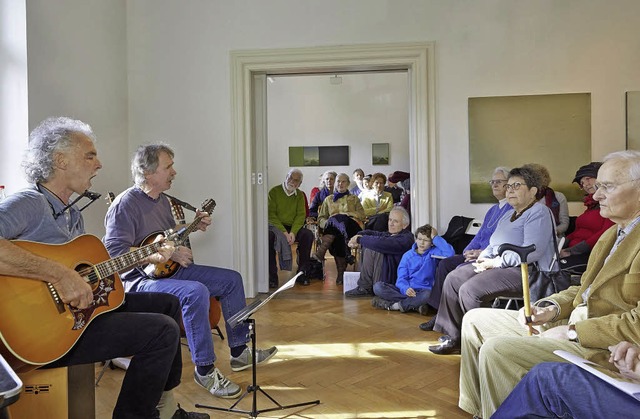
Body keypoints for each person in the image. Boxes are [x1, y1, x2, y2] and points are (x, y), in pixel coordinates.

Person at [0, 117, 205, 419]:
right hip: (40, 334)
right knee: (161, 332)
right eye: (90, 155)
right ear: (60, 161)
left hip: (75, 318)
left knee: (168, 304)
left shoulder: (73, 215)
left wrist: (147, 256)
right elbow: (62, 274)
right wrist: (59, 274)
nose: (98, 165)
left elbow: (92, 271)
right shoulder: (30, 203)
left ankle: (165, 407)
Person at [457, 150, 640, 419]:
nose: (596, 195)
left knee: (498, 350)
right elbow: (584, 288)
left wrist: (573, 332)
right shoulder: (613, 233)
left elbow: (635, 324)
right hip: (570, 320)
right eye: (597, 186)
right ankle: (483, 411)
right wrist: (551, 308)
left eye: (607, 187)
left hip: (600, 343)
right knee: (474, 320)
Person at [103, 143, 277, 401]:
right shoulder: (125, 204)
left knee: (231, 280)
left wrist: (192, 225)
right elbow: (114, 253)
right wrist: (168, 253)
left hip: (167, 273)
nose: (174, 172)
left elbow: (167, 236)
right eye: (168, 167)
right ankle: (205, 369)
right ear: (148, 172)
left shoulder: (161, 201)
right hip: (139, 281)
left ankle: (239, 350)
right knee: (195, 292)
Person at [428, 166, 557, 355]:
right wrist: (484, 257)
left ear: (533, 191)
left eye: (516, 185)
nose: (510, 189)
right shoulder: (508, 214)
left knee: (470, 290)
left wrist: (495, 262)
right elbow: (493, 243)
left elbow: (531, 252)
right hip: (502, 266)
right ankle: (454, 337)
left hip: (527, 271)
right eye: (509, 185)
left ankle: (484, 343)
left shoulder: (539, 212)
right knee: (454, 279)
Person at [420, 167, 512, 330]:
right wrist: (467, 250)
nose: (494, 185)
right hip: (474, 254)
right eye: (493, 182)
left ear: (508, 185)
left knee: (455, 270)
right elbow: (479, 236)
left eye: (499, 182)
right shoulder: (493, 210)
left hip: (487, 258)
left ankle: (448, 319)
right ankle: (438, 312)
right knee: (445, 264)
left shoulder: (511, 208)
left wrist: (479, 254)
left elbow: (500, 241)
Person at [492, 341, 640, 418]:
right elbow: (578, 292)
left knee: (546, 378)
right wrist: (551, 307)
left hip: (594, 340)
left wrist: (573, 330)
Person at [371, 224, 454, 312]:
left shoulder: (434, 253)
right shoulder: (407, 256)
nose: (422, 243)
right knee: (378, 287)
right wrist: (405, 288)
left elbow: (450, 253)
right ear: (416, 239)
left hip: (424, 291)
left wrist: (436, 237)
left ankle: (395, 306)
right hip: (407, 291)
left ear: (432, 242)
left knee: (428, 295)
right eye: (419, 239)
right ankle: (415, 305)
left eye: (426, 240)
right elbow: (401, 278)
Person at [344, 207, 414, 298]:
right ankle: (366, 287)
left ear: (405, 225)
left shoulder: (406, 238)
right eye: (390, 220)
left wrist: (359, 239)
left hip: (392, 281)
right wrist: (359, 235)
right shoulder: (390, 234)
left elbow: (382, 243)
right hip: (382, 277)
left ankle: (365, 287)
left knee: (372, 247)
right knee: (370, 243)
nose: (391, 224)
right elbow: (374, 234)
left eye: (395, 221)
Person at [558, 162, 614, 275]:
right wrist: (560, 245)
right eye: (582, 183)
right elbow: (577, 232)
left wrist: (571, 251)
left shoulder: (610, 204)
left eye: (588, 179)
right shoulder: (591, 205)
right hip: (572, 250)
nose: (585, 185)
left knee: (556, 270)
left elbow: (605, 234)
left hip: (590, 254)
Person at [312, 172, 365, 285]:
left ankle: (321, 252)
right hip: (335, 232)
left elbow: (362, 215)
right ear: (335, 184)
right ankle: (343, 266)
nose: (340, 184)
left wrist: (345, 214)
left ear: (348, 183)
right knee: (337, 234)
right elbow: (321, 218)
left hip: (352, 228)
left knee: (339, 218)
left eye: (343, 181)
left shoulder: (354, 199)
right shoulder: (328, 199)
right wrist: (329, 223)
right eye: (338, 181)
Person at [268, 168, 314, 287]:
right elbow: (271, 215)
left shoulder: (300, 195)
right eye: (290, 178)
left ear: (300, 183)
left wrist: (293, 232)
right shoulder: (274, 192)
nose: (292, 182)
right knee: (268, 238)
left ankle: (302, 273)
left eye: (296, 180)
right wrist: (284, 232)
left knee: (307, 235)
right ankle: (272, 277)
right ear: (286, 177)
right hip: (276, 226)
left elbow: (300, 216)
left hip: (293, 227)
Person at [523, 163, 570, 236]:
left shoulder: (559, 197)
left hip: (554, 238)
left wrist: (551, 233)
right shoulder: (521, 198)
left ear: (544, 179)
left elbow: (564, 224)